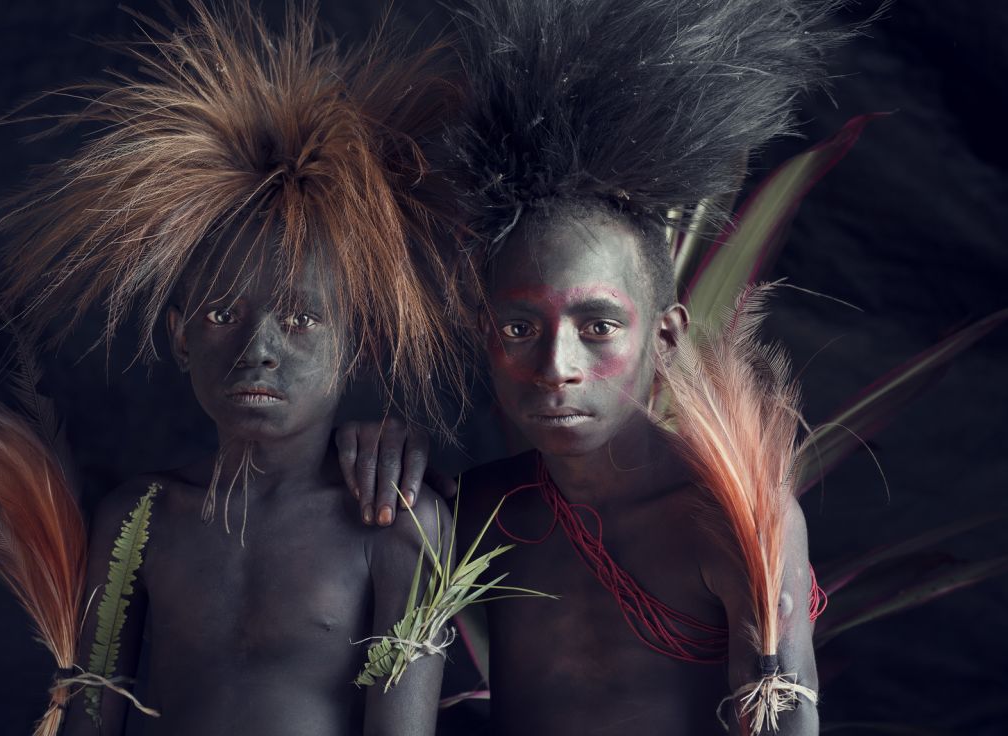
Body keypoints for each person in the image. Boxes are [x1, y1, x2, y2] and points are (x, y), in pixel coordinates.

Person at [0, 2, 469, 734]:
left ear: (354, 345)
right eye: (220, 315)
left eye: (300, 320)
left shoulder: (395, 527)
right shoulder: (140, 521)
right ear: (178, 338)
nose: (258, 348)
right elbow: (89, 717)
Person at [335, 0, 845, 732]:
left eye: (598, 326)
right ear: (487, 336)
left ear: (664, 340)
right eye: (520, 326)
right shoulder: (478, 514)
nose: (555, 365)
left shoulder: (733, 519)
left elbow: (784, 712)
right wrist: (380, 455)